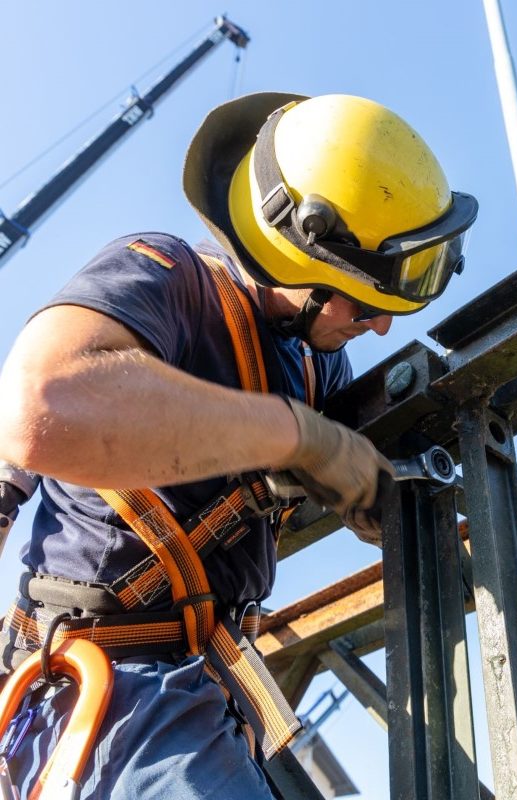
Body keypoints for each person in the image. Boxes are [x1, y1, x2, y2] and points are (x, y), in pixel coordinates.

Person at [0, 91, 478, 799]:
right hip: (108, 692)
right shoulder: (165, 276)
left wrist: (378, 499)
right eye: (364, 301)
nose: (379, 327)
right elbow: (41, 405)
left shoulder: (319, 361)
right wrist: (298, 437)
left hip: (209, 692)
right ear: (299, 256)